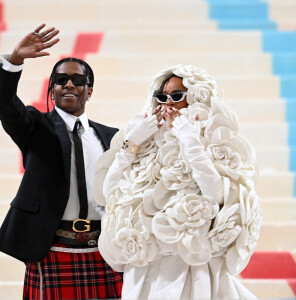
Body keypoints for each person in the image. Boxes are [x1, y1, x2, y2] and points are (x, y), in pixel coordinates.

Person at [94, 64, 262, 299]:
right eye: (162, 97)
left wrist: (189, 140)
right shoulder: (145, 143)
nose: (168, 104)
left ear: (194, 98)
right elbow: (108, 189)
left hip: (191, 264)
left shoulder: (213, 139)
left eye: (177, 96)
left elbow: (215, 193)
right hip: (145, 265)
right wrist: (132, 143)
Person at [0, 24, 122, 300]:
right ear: (52, 90)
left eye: (78, 80)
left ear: (89, 91)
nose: (69, 84)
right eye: (61, 80)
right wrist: (16, 59)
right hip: (51, 248)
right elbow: (4, 103)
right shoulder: (34, 126)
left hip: (103, 249)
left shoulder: (112, 137)